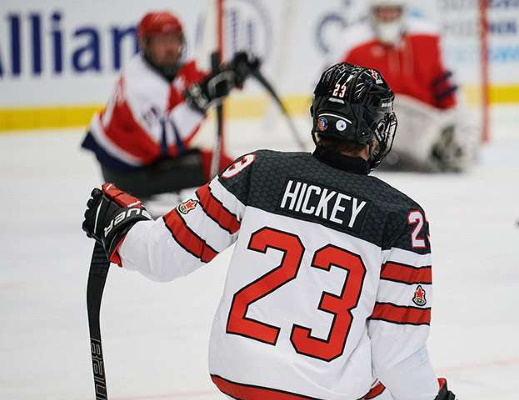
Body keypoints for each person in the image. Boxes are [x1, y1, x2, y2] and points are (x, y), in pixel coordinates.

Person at [82, 63, 457, 400]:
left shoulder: (257, 170)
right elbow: (399, 358)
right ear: (373, 129)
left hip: (240, 376)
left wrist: (122, 224)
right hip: (327, 389)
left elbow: (160, 255)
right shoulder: (399, 216)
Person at [81, 11, 259, 207]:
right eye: (162, 41)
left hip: (132, 159)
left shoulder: (154, 67)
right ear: (146, 44)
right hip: (127, 174)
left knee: (222, 164)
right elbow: (166, 142)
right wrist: (204, 98)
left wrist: (231, 73)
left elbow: (194, 78)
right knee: (221, 166)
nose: (171, 48)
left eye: (174, 40)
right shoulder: (141, 85)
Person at [334, 0, 478, 172]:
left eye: (393, 11)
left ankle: (438, 149)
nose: (388, 16)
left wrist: (457, 121)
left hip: (423, 124)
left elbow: (445, 89)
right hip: (373, 126)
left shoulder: (427, 39)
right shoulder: (352, 43)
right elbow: (336, 92)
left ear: (403, 12)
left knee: (459, 134)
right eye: (383, 11)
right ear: (373, 12)